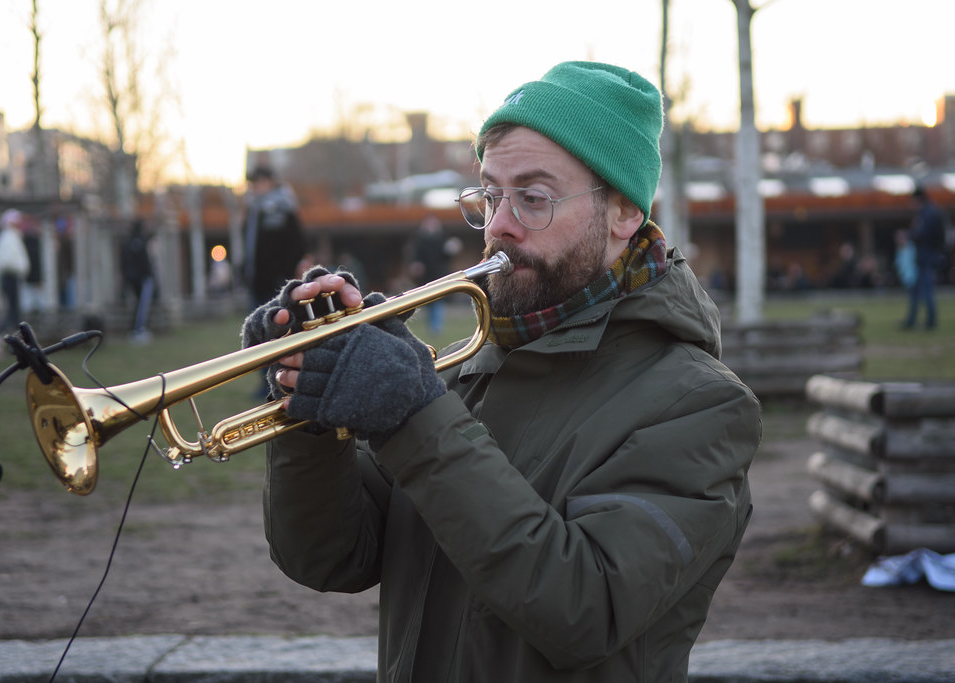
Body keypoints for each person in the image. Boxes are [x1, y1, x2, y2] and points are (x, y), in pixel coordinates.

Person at [241, 61, 761, 682]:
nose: (499, 226)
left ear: (623, 213)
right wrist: (311, 405)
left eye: (533, 198)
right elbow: (328, 558)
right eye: (489, 194)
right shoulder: (470, 374)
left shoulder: (700, 406)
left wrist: (414, 416)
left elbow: (583, 608)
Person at [242, 165, 306, 310]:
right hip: (256, 281)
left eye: (260, 181)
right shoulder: (253, 210)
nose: (256, 186)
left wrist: (284, 274)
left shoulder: (282, 208)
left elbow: (296, 242)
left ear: (271, 182)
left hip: (276, 282)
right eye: (254, 182)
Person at [901, 186, 946, 330]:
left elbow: (922, 234)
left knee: (925, 289)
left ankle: (929, 321)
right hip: (928, 255)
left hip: (925, 256)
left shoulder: (927, 213)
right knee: (920, 289)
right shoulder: (932, 211)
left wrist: (909, 235)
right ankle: (913, 320)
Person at [0, 208, 30, 333]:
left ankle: (8, 330)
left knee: (13, 306)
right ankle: (5, 331)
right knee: (13, 307)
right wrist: (19, 268)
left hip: (12, 276)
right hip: (10, 276)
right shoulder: (8, 237)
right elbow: (8, 260)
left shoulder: (10, 236)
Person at [409, 214, 449, 334]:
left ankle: (436, 326)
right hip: (426, 275)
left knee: (437, 300)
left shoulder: (442, 238)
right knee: (428, 301)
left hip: (438, 274)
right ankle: (431, 325)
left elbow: (445, 257)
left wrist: (451, 251)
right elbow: (417, 256)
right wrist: (416, 264)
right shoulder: (420, 239)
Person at [120, 219, 156, 344]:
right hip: (142, 278)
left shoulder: (127, 242)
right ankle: (138, 330)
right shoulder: (140, 241)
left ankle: (137, 329)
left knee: (137, 305)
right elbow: (145, 262)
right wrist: (149, 274)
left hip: (131, 278)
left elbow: (123, 262)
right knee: (142, 305)